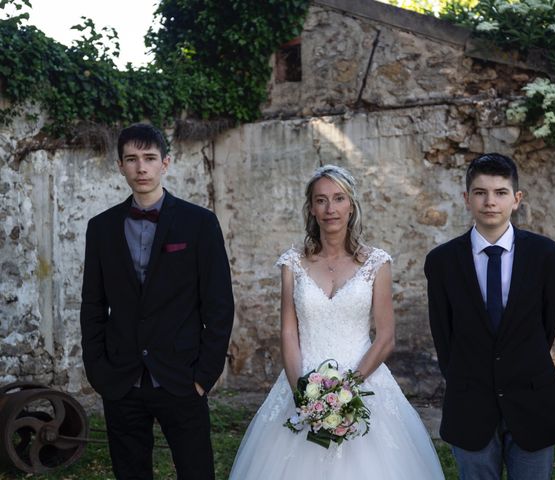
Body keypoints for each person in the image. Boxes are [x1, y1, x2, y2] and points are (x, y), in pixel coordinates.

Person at [229, 164, 444, 479]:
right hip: (303, 380)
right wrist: (301, 394)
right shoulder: (292, 263)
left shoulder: (376, 263)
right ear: (312, 208)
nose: (330, 208)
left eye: (339, 198)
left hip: (364, 381)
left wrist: (347, 392)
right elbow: (289, 334)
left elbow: (385, 338)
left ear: (351, 205)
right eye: (321, 200)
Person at [80, 123, 234, 479]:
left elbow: (220, 304)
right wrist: (98, 370)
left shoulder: (200, 223)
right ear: (120, 165)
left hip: (182, 377)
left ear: (165, 163)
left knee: (196, 472)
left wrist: (204, 375)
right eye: (131, 159)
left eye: (149, 158)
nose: (141, 167)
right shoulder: (100, 228)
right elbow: (92, 304)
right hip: (121, 380)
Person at [424, 153, 555, 480]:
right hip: (470, 400)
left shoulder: (547, 256)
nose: (490, 201)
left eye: (500, 193)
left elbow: (545, 326)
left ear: (516, 199)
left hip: (532, 397)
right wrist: (467, 380)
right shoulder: (442, 262)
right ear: (466, 199)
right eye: (480, 192)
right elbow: (444, 335)